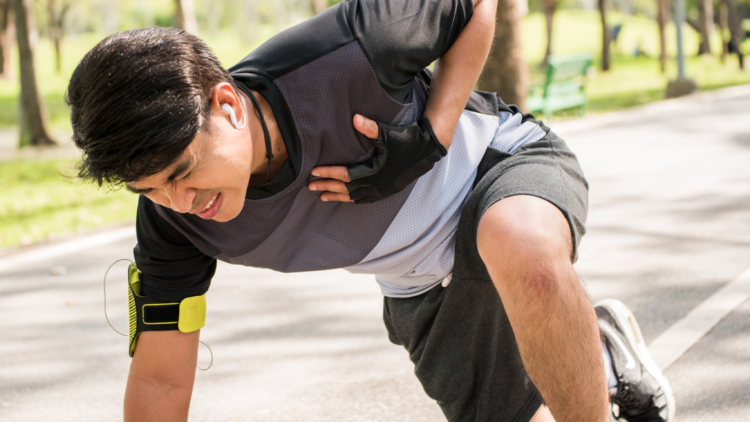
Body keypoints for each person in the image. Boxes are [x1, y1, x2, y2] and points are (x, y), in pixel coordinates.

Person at [66, 0, 674, 420]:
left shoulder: (348, 48)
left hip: (495, 167)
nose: (180, 202)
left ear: (226, 103)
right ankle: (599, 356)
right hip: (416, 279)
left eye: (183, 171)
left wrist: (433, 132)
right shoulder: (174, 227)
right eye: (149, 190)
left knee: (517, 243)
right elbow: (160, 379)